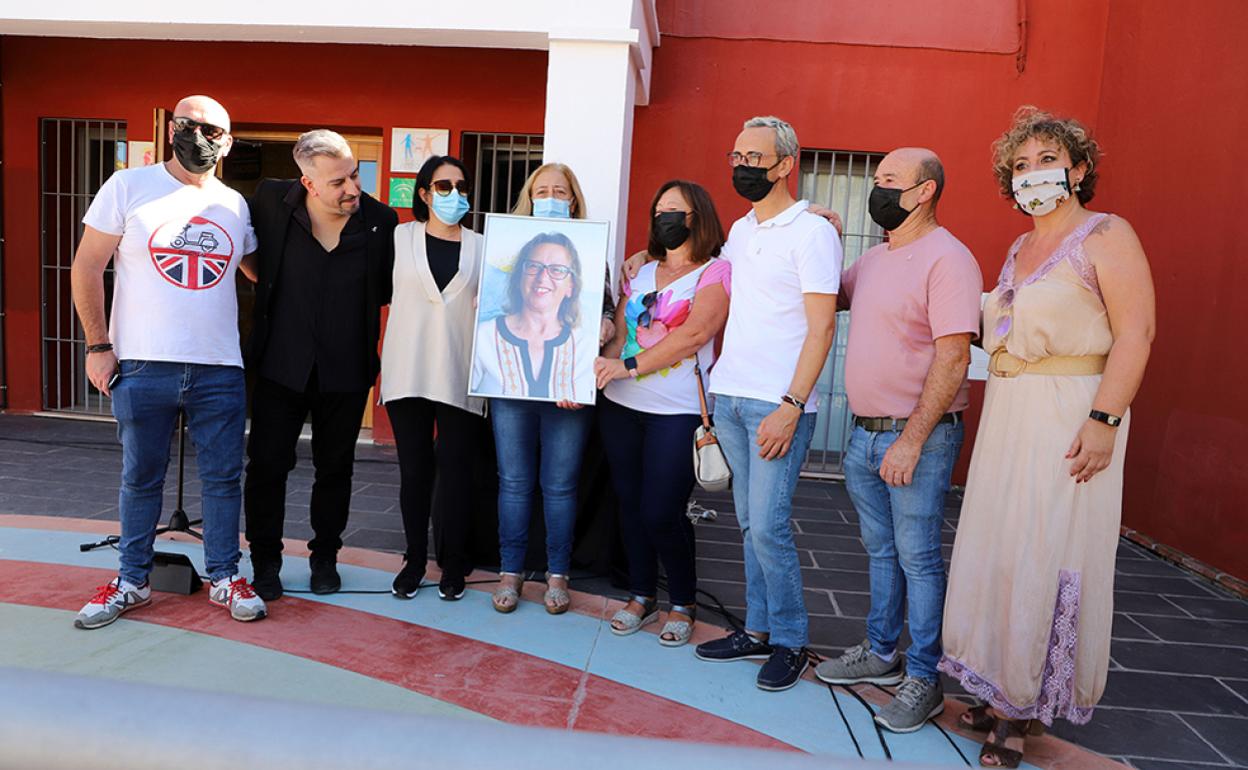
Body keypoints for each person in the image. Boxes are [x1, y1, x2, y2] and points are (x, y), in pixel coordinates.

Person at [940, 107, 1154, 768]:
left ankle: (1020, 707)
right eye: (1020, 165)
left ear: (1079, 168)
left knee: (1042, 549)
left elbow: (1136, 333)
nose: (1033, 174)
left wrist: (1105, 419)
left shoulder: (1106, 233)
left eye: (1046, 160)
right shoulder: (1017, 247)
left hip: (1070, 416)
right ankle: (1001, 680)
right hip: (1009, 410)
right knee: (1001, 546)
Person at [70, 95, 267, 628]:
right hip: (142, 365)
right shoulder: (128, 186)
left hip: (219, 366)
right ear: (172, 127)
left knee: (225, 479)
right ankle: (132, 581)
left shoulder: (234, 204)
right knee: (140, 479)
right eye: (189, 124)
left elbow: (257, 268)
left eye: (212, 131)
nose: (199, 137)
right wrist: (97, 345)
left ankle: (225, 577)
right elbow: (87, 266)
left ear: (227, 144)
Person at [811, 148, 983, 733]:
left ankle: (925, 678)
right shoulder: (878, 258)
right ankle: (882, 653)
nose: (876, 189)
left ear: (924, 191)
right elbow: (828, 296)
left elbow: (954, 353)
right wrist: (822, 238)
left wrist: (911, 440)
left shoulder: (948, 259)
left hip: (917, 440)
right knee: (882, 552)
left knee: (919, 559)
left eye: (889, 181)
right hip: (863, 436)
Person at [691, 116, 842, 691]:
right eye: (736, 156)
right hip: (730, 396)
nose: (741, 167)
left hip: (776, 404)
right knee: (749, 522)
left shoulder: (813, 234)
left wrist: (792, 404)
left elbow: (822, 328)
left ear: (785, 164)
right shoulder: (740, 229)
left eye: (754, 157)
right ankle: (756, 631)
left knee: (769, 527)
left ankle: (790, 640)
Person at [241, 130, 398, 599]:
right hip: (279, 365)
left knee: (336, 468)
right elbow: (249, 258)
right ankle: (265, 562)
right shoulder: (270, 201)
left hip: (346, 369)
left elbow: (388, 289)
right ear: (308, 183)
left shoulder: (380, 221)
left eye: (355, 174)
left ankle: (325, 558)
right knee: (268, 466)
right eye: (338, 182)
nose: (352, 188)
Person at [594, 180, 730, 647]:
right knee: (629, 507)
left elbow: (694, 335)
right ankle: (640, 594)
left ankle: (684, 602)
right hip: (621, 407)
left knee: (662, 511)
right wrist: (600, 366)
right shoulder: (640, 270)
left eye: (676, 209)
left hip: (678, 412)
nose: (664, 217)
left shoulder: (716, 272)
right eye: (659, 209)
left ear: (698, 218)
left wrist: (626, 365)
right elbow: (618, 330)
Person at [484, 163, 603, 615]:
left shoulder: (592, 252)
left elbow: (605, 314)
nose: (551, 197)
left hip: (568, 392)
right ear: (528, 197)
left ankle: (557, 575)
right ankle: (510, 572)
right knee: (513, 483)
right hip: (509, 389)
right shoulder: (505, 253)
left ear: (573, 200)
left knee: (559, 486)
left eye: (560, 191)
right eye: (542, 190)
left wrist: (605, 325)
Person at [381, 155, 489, 600]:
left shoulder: (484, 247)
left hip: (460, 371)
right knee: (414, 470)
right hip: (407, 368)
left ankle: (454, 563)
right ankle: (413, 558)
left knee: (459, 471)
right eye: (443, 187)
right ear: (423, 194)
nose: (454, 195)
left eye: (461, 187)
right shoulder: (397, 237)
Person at [470, 232, 589, 400]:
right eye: (534, 266)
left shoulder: (585, 344)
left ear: (571, 286)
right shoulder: (485, 334)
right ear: (519, 278)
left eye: (557, 270)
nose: (542, 278)